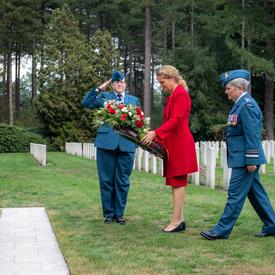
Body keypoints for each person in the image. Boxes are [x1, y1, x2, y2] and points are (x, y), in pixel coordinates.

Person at [201, 69, 275, 240]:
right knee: (256, 193)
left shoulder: (247, 105)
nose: (226, 91)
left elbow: (252, 135)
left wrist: (251, 159)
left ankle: (221, 230)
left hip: (245, 160)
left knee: (234, 195)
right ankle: (272, 225)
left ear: (240, 88)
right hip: (242, 158)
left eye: (228, 88)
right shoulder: (240, 104)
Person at [142, 65, 198, 233]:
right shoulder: (174, 95)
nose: (161, 85)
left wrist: (155, 134)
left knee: (178, 182)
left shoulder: (180, 94)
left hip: (180, 144)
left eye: (162, 82)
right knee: (176, 183)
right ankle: (178, 220)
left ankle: (176, 222)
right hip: (174, 144)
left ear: (172, 78)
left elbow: (176, 120)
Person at [81, 70, 140, 224]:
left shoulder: (134, 100)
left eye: (121, 82)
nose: (119, 84)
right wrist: (101, 87)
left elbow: (139, 123)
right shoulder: (105, 97)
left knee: (122, 181)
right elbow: (86, 102)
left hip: (127, 145)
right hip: (106, 143)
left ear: (125, 83)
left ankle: (119, 214)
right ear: (112, 84)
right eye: (115, 82)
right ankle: (108, 214)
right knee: (106, 180)